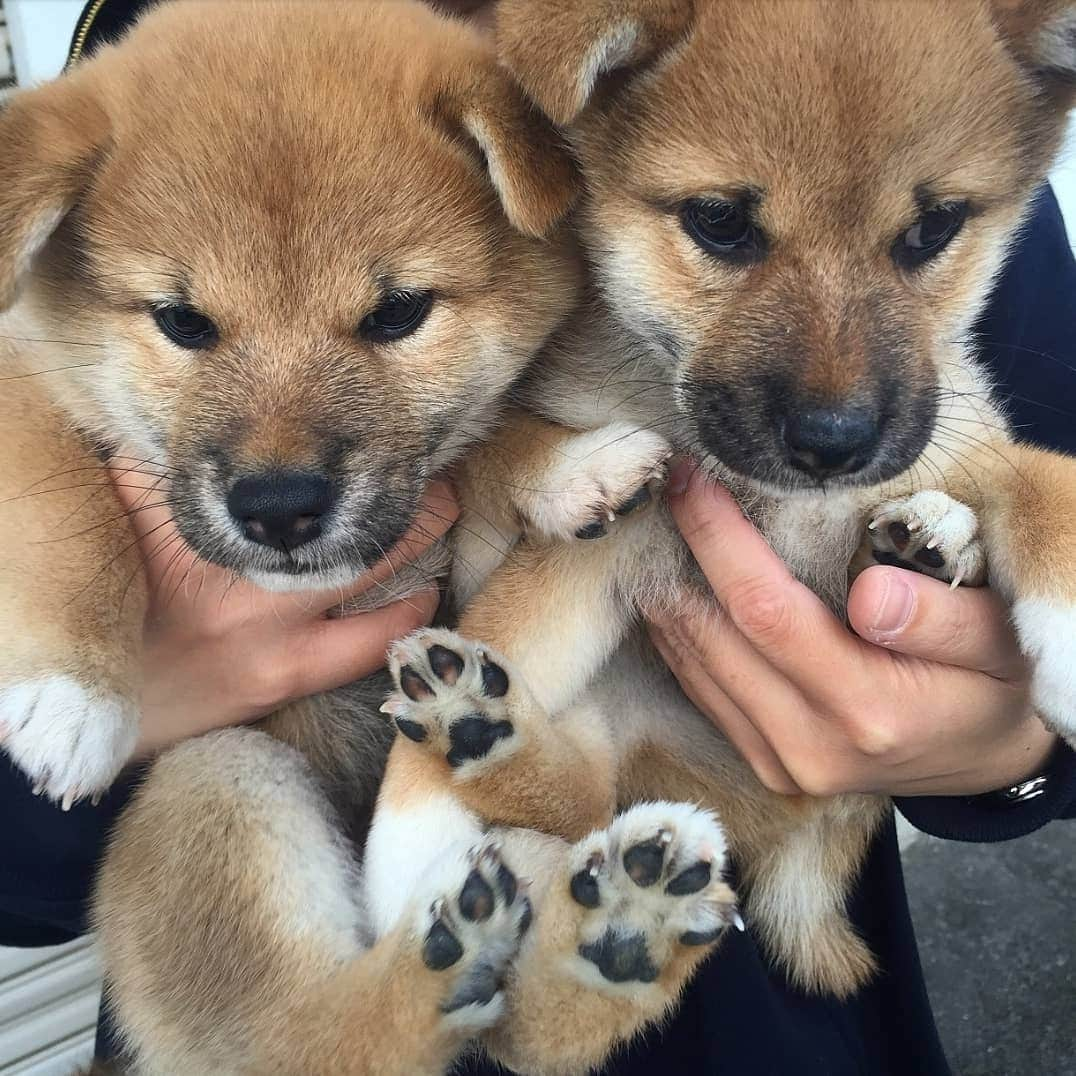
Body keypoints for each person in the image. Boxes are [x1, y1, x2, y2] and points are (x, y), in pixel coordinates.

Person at [1, 2, 1072, 1072]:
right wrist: (108, 681)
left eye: (925, 235)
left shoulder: (915, 50)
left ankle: (546, 992)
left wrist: (1012, 757)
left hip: (738, 1000)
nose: (831, 405)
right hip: (267, 878)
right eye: (722, 226)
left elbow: (1026, 508)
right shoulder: (179, 54)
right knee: (215, 815)